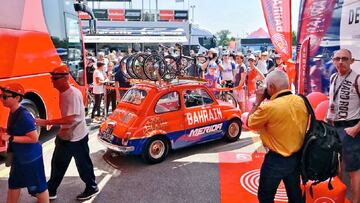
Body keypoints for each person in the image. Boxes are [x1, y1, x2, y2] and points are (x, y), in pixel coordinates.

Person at [36, 65, 99, 201]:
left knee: (83, 165)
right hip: (67, 136)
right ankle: (51, 189)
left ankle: (92, 187)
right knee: (58, 163)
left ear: (65, 78)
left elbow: (72, 119)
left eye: (55, 78)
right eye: (52, 78)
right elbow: (69, 118)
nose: (52, 81)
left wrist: (46, 122)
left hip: (76, 138)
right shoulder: (63, 92)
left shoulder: (72, 94)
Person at [247, 70, 308, 203]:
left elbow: (249, 123)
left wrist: (257, 101)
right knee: (295, 195)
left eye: (267, 86)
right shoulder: (301, 100)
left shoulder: (268, 108)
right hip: (296, 157)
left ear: (272, 87)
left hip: (275, 160)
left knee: (265, 196)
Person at [0, 84, 49, 203]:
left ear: (17, 98)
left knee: (38, 187)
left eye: (5, 97)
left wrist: (10, 137)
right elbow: (19, 130)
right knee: (14, 184)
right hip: (20, 157)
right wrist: (6, 131)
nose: (2, 99)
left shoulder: (24, 115)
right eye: (1, 96)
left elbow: (34, 138)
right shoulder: (14, 111)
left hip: (30, 158)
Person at [327, 48, 360, 203]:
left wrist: (356, 128)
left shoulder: (358, 79)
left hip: (352, 128)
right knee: (336, 164)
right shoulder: (333, 77)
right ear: (333, 61)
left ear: (351, 61)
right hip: (335, 127)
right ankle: (339, 198)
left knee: (354, 170)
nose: (341, 62)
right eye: (337, 58)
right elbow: (332, 103)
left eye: (345, 59)